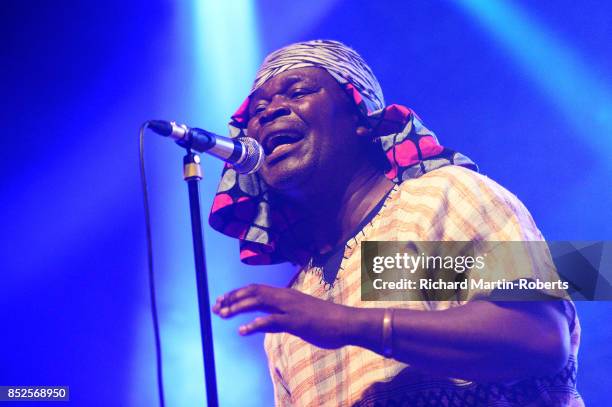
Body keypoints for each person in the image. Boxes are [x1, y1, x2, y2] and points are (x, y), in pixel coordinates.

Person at [210, 40, 582, 406]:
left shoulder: (437, 201)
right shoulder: (296, 305)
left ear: (359, 117)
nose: (270, 111)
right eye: (257, 109)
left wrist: (349, 323)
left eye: (298, 91)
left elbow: (538, 336)